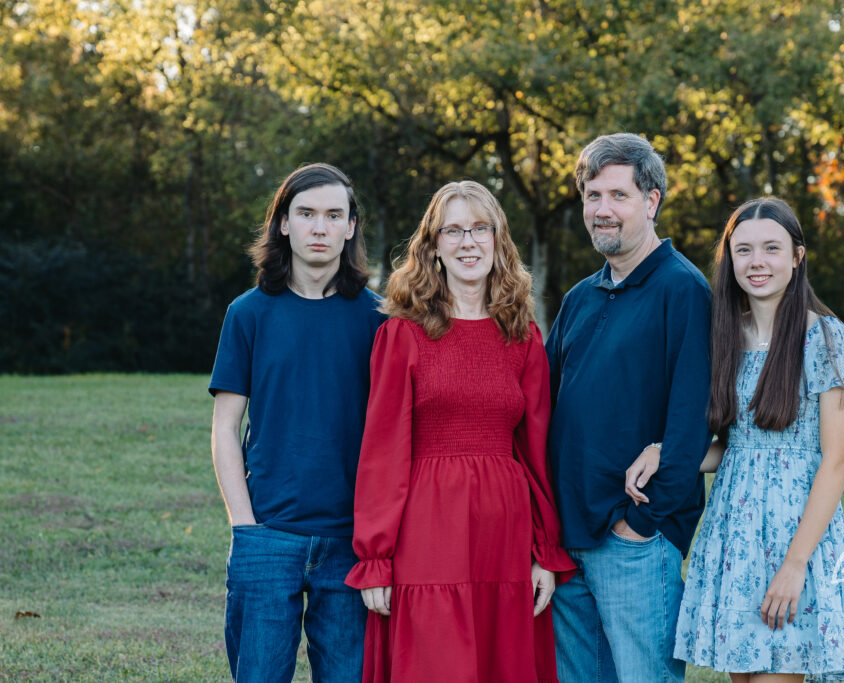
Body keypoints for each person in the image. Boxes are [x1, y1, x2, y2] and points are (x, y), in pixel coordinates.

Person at [344, 180, 576, 683]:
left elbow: (536, 453)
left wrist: (544, 550)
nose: (468, 242)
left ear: (498, 240)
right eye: (453, 230)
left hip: (506, 532)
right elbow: (382, 453)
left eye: (479, 228)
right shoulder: (401, 333)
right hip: (428, 529)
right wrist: (377, 558)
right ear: (433, 246)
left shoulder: (523, 334)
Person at [673, 197, 844, 682]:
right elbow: (737, 446)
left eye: (771, 248)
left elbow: (837, 461)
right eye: (743, 250)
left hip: (795, 536)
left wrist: (795, 565)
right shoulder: (724, 337)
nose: (756, 262)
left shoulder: (826, 338)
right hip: (734, 534)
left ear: (797, 256)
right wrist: (667, 455)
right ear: (730, 259)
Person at [209, 163, 386, 682]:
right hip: (268, 533)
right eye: (306, 213)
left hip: (351, 540)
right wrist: (245, 528)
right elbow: (225, 428)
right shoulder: (248, 313)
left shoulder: (381, 319)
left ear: (351, 227)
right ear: (283, 223)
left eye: (334, 215)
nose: (319, 228)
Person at [545, 133, 712, 683]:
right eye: (593, 196)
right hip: (569, 541)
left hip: (634, 541)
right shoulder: (579, 298)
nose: (602, 210)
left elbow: (693, 418)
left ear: (652, 200)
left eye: (618, 195)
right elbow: (545, 405)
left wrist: (640, 525)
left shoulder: (683, 290)